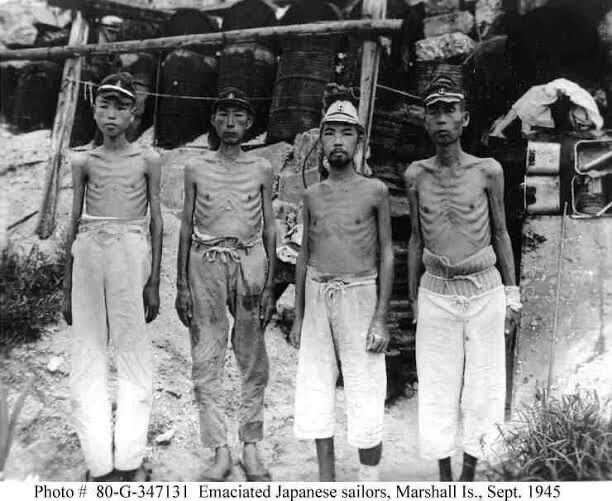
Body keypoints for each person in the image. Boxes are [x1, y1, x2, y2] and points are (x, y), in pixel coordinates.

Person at [404, 76, 521, 481]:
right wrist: (414, 300)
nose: (441, 119)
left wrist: (512, 294)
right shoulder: (416, 175)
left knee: (483, 387)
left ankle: (469, 477)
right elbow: (416, 238)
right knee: (437, 385)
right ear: (425, 120)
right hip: (436, 290)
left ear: (465, 118)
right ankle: (445, 480)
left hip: (484, 288)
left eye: (449, 110)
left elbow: (501, 232)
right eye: (433, 111)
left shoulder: (487, 170)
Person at [62, 72, 163, 481]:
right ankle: (99, 464)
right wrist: (67, 286)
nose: (111, 115)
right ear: (94, 110)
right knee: (88, 354)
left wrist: (154, 282)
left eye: (121, 107)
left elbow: (157, 221)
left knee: (132, 352)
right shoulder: (84, 161)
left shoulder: (148, 160)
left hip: (131, 250)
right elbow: (74, 221)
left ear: (133, 114)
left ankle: (130, 461)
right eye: (104, 105)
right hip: (89, 251)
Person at [290, 99, 394, 481]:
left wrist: (381, 317)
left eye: (346, 133)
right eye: (330, 132)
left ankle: (369, 480)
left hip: (360, 294)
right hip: (318, 293)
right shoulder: (312, 195)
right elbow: (304, 254)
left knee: (366, 386)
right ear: (320, 139)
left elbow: (386, 252)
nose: (338, 141)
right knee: (316, 387)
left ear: (358, 140)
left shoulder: (375, 191)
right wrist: (299, 316)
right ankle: (326, 481)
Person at [175, 87, 276, 481]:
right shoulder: (196, 167)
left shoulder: (261, 167)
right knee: (207, 357)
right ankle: (219, 450)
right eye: (223, 115)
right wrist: (182, 285)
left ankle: (250, 447)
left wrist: (270, 285)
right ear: (213, 120)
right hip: (205, 264)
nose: (230, 123)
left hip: (249, 262)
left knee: (253, 359)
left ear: (249, 123)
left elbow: (269, 228)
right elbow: (186, 226)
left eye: (238, 116)